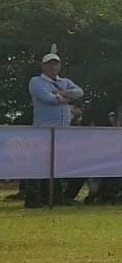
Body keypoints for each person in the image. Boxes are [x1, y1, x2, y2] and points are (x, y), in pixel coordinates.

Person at [27, 51, 84, 207]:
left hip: (63, 130)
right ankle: (35, 199)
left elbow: (79, 92)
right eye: (49, 64)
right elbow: (47, 98)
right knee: (41, 164)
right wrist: (64, 98)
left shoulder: (64, 82)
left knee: (58, 164)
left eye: (55, 63)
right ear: (43, 66)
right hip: (44, 129)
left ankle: (56, 197)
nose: (53, 67)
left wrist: (62, 93)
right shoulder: (36, 81)